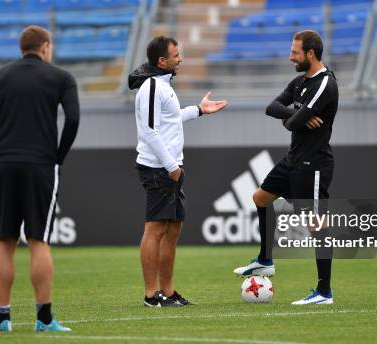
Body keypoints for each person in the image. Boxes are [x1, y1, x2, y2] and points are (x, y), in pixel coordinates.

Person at [0, 25, 79, 331]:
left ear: (22, 48)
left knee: (4, 241)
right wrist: (58, 155)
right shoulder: (61, 77)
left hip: (2, 164)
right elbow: (73, 119)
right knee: (38, 240)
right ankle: (44, 319)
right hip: (41, 165)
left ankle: (3, 319)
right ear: (44, 47)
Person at [233, 30, 339, 305]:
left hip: (313, 163)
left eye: (295, 52)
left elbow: (289, 123)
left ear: (311, 54)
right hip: (293, 159)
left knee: (316, 225)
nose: (290, 56)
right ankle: (266, 260)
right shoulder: (300, 82)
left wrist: (293, 117)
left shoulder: (325, 84)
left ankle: (324, 292)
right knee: (260, 198)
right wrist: (297, 113)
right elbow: (272, 107)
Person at [129, 36, 227, 307]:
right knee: (156, 228)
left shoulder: (163, 85)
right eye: (176, 55)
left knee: (173, 229)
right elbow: (149, 130)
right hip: (158, 168)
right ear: (162, 61)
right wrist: (171, 166)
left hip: (170, 167)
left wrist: (198, 110)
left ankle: (168, 292)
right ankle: (152, 295)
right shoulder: (150, 86)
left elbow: (170, 119)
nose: (180, 59)